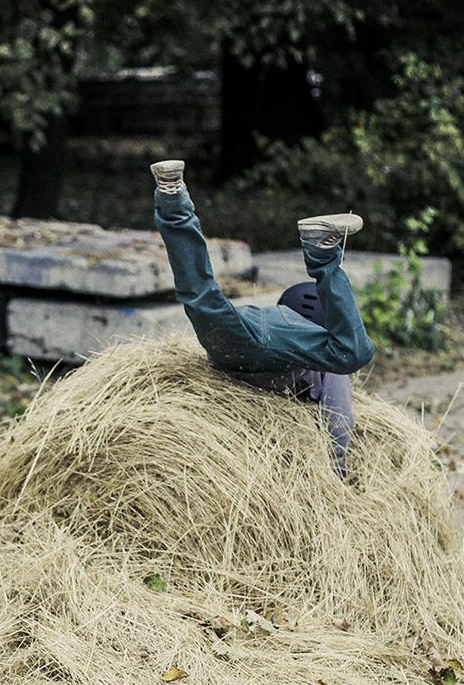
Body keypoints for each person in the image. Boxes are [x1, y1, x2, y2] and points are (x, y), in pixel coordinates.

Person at [150, 159, 375, 472]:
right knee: (356, 353)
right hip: (250, 347)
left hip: (243, 332)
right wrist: (338, 476)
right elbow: (339, 426)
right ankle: (173, 195)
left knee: (202, 298)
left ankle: (172, 194)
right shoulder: (325, 362)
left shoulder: (266, 321)